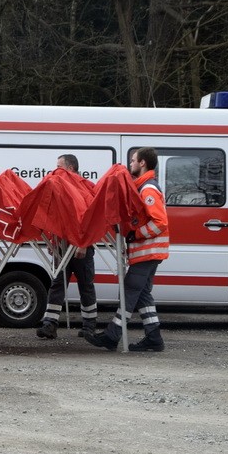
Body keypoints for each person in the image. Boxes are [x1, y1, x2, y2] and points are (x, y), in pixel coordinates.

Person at [83, 147, 169, 352]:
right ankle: (154, 337)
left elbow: (160, 222)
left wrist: (135, 234)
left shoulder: (147, 189)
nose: (130, 164)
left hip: (147, 252)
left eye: (133, 161)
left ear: (142, 163)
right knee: (142, 295)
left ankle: (112, 336)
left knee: (129, 291)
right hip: (148, 253)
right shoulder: (144, 187)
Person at [36, 154, 97, 340]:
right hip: (62, 246)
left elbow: (88, 219)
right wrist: (53, 242)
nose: (55, 170)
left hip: (80, 246)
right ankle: (50, 324)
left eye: (59, 166)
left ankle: (89, 327)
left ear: (70, 167)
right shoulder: (60, 185)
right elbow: (56, 218)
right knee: (57, 284)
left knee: (85, 285)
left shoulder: (83, 187)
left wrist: (83, 243)